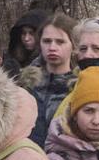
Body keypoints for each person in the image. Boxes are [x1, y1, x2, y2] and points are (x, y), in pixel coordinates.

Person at [20, 13, 78, 147]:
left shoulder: (79, 87)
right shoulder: (26, 85)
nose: (52, 47)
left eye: (60, 42)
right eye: (47, 41)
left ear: (73, 45)